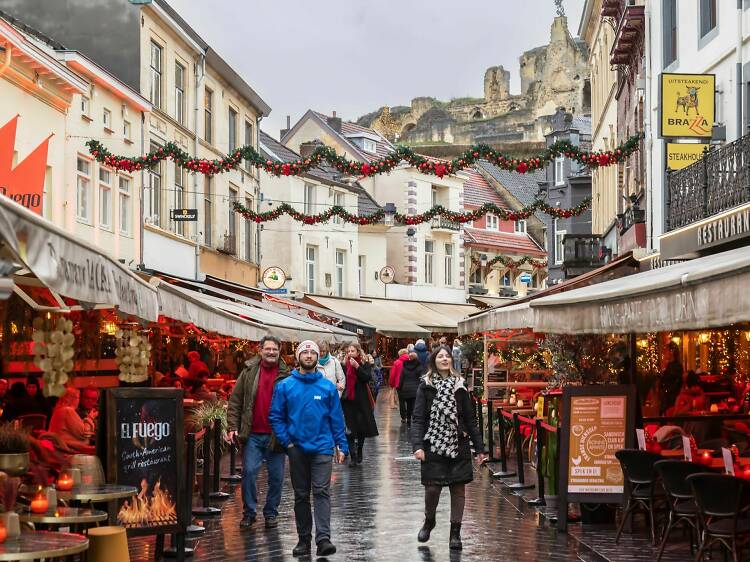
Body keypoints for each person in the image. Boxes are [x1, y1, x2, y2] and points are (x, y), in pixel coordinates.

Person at [269, 341, 348, 558]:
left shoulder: (327, 387)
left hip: (322, 447)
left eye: (313, 351)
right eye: (305, 351)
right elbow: (276, 416)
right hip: (297, 448)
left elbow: (336, 418)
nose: (309, 354)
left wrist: (342, 444)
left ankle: (323, 539)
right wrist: (288, 443)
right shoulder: (285, 386)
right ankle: (304, 539)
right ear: (298, 357)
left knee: (322, 491)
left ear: (317, 358)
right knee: (301, 495)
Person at [411, 345, 487, 551]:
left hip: (458, 443)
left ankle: (455, 533)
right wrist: (417, 446)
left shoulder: (460, 386)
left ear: (451, 361)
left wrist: (480, 449)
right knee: (432, 488)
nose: (444, 359)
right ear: (434, 361)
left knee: (458, 488)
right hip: (433, 443)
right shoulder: (425, 386)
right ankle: (429, 521)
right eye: (440, 356)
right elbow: (417, 419)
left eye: (447, 356)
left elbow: (471, 420)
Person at [227, 336, 290, 530]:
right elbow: (235, 401)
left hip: (276, 435)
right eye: (268, 349)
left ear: (279, 351)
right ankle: (249, 513)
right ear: (260, 350)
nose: (271, 352)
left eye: (275, 349)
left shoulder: (287, 375)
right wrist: (232, 426)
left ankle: (271, 513)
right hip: (253, 434)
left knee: (277, 477)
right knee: (249, 473)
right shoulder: (249, 371)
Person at [340, 342, 378, 467]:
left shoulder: (364, 364)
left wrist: (357, 367)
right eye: (348, 351)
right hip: (348, 401)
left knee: (361, 428)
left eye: (352, 351)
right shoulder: (343, 365)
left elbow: (367, 377)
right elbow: (340, 379)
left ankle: (359, 450)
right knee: (349, 430)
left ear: (358, 352)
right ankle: (353, 455)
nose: (350, 353)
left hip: (361, 401)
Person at [48, 387, 93, 454]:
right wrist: (90, 417)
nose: (79, 401)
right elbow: (84, 433)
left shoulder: (59, 410)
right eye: (78, 398)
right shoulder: (67, 410)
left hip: (59, 449)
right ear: (72, 398)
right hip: (68, 451)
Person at [399, 351, 423, 427]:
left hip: (406, 389)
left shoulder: (404, 367)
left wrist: (400, 388)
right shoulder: (419, 367)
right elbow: (421, 379)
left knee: (408, 405)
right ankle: (414, 420)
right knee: (414, 405)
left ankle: (408, 419)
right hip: (416, 389)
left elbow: (401, 379)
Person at [660, 342, 683, 415]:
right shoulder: (669, 366)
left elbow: (675, 383)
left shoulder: (677, 366)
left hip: (672, 398)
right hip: (666, 398)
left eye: (666, 350)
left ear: (671, 352)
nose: (664, 353)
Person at [389, 349, 409, 420]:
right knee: (410, 401)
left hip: (399, 384)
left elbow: (393, 375)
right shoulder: (411, 361)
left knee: (401, 401)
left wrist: (391, 384)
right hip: (410, 384)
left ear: (400, 355)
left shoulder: (397, 362)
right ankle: (410, 416)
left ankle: (403, 417)